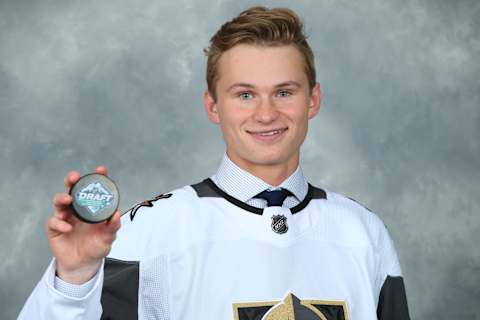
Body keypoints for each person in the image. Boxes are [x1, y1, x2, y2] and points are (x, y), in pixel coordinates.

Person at [19, 6, 410, 320]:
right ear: (212, 106)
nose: (266, 113)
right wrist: (73, 279)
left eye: (284, 92)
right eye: (244, 95)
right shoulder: (146, 233)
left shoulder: (364, 233)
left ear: (313, 100)